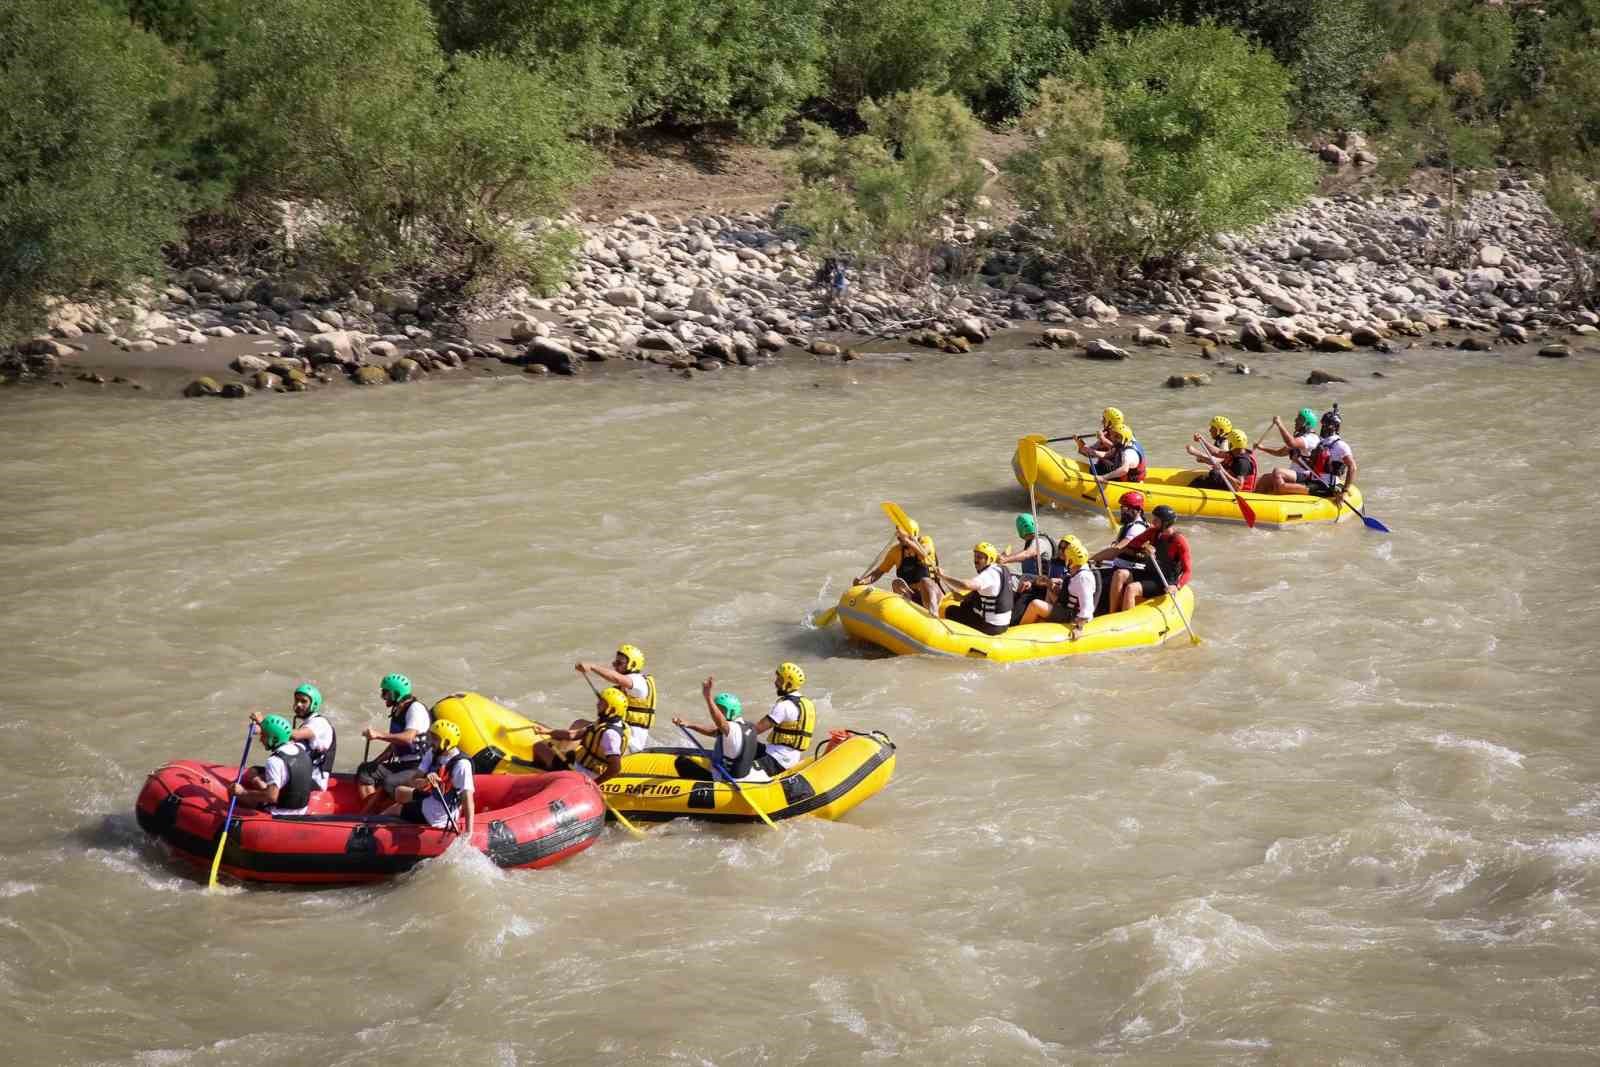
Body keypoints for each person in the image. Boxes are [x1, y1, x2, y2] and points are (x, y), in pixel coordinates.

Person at [384, 720, 475, 836]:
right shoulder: (432, 753)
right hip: (434, 798)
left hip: (437, 815)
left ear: (446, 742)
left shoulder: (461, 765)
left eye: (435, 739)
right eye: (431, 737)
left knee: (394, 809)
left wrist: (469, 832)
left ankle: (376, 824)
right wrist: (426, 780)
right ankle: (403, 815)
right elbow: (412, 782)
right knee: (400, 791)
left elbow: (467, 799)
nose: (430, 741)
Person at [532, 686, 631, 785]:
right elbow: (573, 734)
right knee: (563, 752)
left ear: (612, 710)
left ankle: (543, 777)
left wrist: (595, 783)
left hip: (582, 774)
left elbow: (615, 768)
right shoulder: (613, 723)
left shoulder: (610, 734)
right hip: (582, 768)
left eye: (602, 703)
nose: (597, 704)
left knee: (539, 747)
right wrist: (547, 731)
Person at [356, 673, 430, 802]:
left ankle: (395, 813)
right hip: (403, 764)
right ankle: (371, 813)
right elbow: (395, 744)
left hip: (418, 767)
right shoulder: (398, 710)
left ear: (397, 693)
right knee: (365, 770)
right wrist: (376, 762)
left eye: (385, 693)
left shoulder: (415, 709)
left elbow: (408, 738)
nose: (383, 697)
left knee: (390, 782)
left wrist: (378, 735)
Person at [673, 677, 765, 782]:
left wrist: (707, 697)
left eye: (721, 710)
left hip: (725, 779)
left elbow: (720, 723)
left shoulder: (731, 728)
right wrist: (689, 724)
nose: (718, 712)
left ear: (731, 711)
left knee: (681, 762)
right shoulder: (749, 726)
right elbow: (713, 731)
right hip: (743, 776)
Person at [250, 682, 336, 791]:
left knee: (254, 776)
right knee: (253, 772)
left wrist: (264, 723)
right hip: (297, 771)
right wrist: (263, 730)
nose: (298, 704)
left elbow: (294, 735)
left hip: (312, 779)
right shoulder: (307, 723)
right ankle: (266, 790)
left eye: (303, 701)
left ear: (314, 704)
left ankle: (265, 793)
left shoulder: (320, 723)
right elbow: (282, 740)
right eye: (297, 700)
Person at [1109, 505, 1192, 612]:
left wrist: (1177, 586)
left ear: (1165, 523)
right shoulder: (1153, 532)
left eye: (1156, 520)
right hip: (1149, 573)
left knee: (1131, 588)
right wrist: (1145, 547)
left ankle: (1128, 620)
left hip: (1164, 581)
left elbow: (1187, 571)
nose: (1152, 522)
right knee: (1119, 574)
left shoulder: (1179, 541)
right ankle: (1113, 612)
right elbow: (1133, 544)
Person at [575, 644, 655, 752]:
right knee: (579, 723)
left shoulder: (639, 682)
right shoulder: (625, 686)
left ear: (633, 665)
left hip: (630, 743)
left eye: (619, 663)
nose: (615, 666)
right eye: (614, 663)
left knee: (581, 726)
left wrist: (592, 666)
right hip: (618, 734)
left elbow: (617, 679)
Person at [1016, 535, 1097, 638]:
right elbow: (1068, 590)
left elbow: (1087, 607)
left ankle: (1019, 634)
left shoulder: (1083, 578)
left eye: (1067, 556)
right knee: (1049, 589)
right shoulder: (1078, 570)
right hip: (1065, 607)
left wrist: (1079, 628)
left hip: (1070, 616)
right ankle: (1044, 620)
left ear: (1071, 560)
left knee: (1035, 604)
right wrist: (1048, 583)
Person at [231, 714, 311, 816]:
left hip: (280, 812)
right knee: (257, 778)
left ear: (273, 739)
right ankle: (257, 782)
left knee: (233, 793)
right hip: (301, 808)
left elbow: (271, 797)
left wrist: (243, 792)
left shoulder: (274, 761)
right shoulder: (301, 749)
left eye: (263, 736)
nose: (260, 740)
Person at [854, 519, 940, 612]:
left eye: (902, 535)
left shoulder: (926, 541)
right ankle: (908, 610)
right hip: (911, 595)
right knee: (897, 583)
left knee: (925, 581)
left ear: (913, 534)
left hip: (932, 594)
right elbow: (878, 572)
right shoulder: (895, 551)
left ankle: (933, 613)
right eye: (899, 536)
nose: (899, 538)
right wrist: (863, 581)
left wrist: (908, 541)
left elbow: (924, 554)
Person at [935, 542, 1014, 636]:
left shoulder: (988, 575)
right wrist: (962, 597)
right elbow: (981, 592)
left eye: (980, 558)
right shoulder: (1001, 569)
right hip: (1003, 623)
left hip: (991, 627)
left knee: (950, 610)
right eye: (975, 557)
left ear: (990, 559)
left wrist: (943, 576)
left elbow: (966, 585)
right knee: (965, 604)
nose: (975, 561)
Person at [751, 662, 816, 775]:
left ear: (789, 684)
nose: (775, 683)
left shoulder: (784, 706)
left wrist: (730, 730)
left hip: (777, 760)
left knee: (740, 754)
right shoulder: (806, 704)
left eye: (779, 680)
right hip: (790, 759)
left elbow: (755, 730)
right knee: (750, 745)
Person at [1090, 490, 1151, 595]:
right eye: (1122, 507)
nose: (1122, 511)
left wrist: (1090, 559)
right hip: (1119, 566)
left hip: (1129, 572)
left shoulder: (1137, 528)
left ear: (1137, 510)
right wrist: (1101, 560)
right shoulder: (1130, 524)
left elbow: (1116, 550)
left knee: (1089, 582)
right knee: (1090, 574)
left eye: (1125, 508)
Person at [1253, 408, 1321, 494]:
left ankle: (1279, 497)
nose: (1295, 421)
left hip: (1306, 476)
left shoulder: (1311, 439)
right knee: (1264, 479)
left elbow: (1291, 443)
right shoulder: (1300, 438)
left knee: (1277, 472)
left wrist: (1280, 425)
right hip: (1295, 475)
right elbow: (1280, 453)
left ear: (1307, 424)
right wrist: (1262, 448)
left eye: (1299, 419)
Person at [1190, 428, 1258, 492]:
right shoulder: (1237, 451)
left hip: (1233, 490)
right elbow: (1217, 452)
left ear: (1232, 444)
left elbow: (1238, 486)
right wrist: (1202, 439)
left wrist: (1222, 470)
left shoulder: (1242, 463)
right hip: (1225, 483)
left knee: (1212, 475)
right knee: (1204, 478)